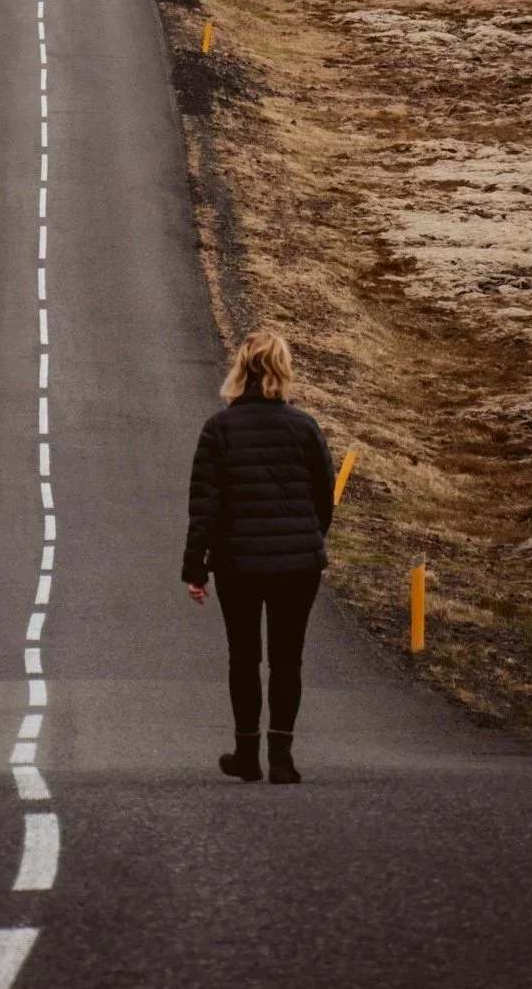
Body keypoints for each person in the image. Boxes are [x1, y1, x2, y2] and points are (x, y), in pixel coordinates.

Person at [182, 328, 336, 785]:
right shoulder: (304, 426)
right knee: (288, 659)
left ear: (241, 369)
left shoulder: (219, 428)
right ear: (283, 370)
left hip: (238, 563)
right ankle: (283, 759)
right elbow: (324, 496)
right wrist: (308, 540)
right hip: (297, 565)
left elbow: (203, 505)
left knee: (244, 657)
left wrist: (195, 567)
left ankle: (246, 754)